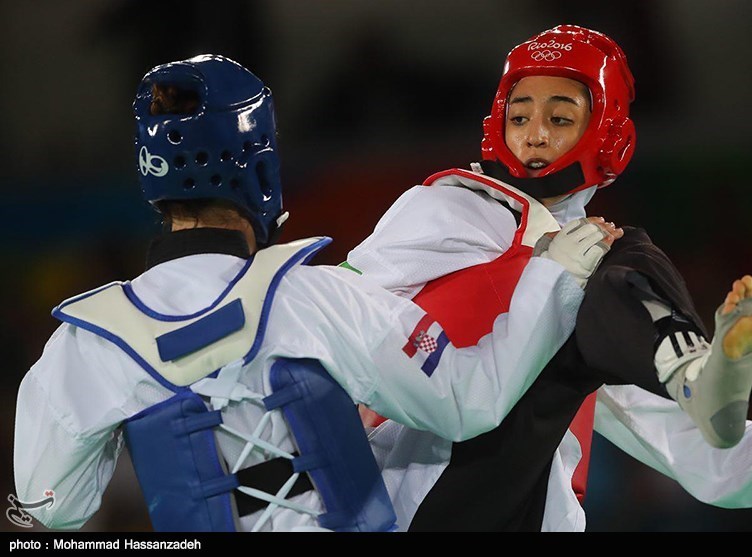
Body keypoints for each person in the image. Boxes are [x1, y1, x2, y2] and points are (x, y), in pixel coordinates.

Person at [12, 54, 622, 532]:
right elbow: (469, 403)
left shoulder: (85, 342)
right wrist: (553, 277)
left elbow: (55, 506)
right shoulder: (318, 298)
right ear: (261, 169)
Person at [347, 25, 752, 531]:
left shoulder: (597, 291)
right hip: (414, 495)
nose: (534, 133)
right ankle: (690, 367)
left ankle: (693, 373)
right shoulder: (450, 206)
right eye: (518, 116)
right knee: (604, 259)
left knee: (604, 262)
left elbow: (709, 460)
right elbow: (332, 308)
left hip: (522, 515)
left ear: (609, 132)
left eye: (559, 118)